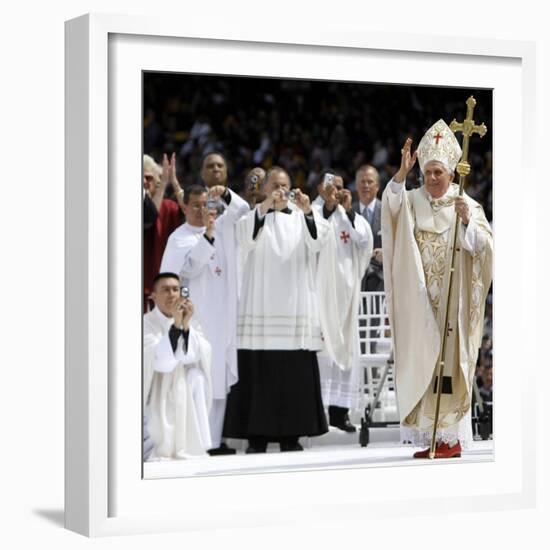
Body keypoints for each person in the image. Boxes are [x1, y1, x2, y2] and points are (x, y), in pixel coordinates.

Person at [381, 120, 493, 459]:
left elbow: (487, 249)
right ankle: (429, 434)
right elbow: (391, 207)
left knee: (446, 366)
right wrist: (401, 173)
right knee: (424, 363)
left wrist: (469, 225)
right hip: (420, 302)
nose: (431, 178)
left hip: (451, 303)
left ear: (451, 174)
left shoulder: (468, 205)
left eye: (438, 173)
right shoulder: (411, 199)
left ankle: (448, 438)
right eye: (427, 172)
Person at [223, 167, 332, 453]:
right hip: (260, 312)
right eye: (275, 186)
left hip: (295, 312)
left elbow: (321, 239)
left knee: (292, 377)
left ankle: (291, 435)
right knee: (259, 375)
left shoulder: (301, 217)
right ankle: (256, 436)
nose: (280, 191)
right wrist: (264, 207)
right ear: (266, 188)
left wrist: (309, 213)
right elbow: (244, 238)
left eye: (285, 185)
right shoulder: (252, 217)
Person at [160, 183, 249, 455]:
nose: (201, 211)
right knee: (199, 379)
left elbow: (243, 210)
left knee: (219, 379)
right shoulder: (179, 238)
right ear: (184, 207)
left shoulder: (223, 229)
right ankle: (198, 440)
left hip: (221, 317)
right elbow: (185, 270)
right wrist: (207, 237)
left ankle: (215, 439)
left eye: (205, 205)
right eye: (195, 205)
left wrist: (224, 194)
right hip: (196, 320)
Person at [312, 173, 373, 432]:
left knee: (346, 351)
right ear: (320, 188)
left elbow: (364, 243)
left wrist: (348, 214)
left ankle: (340, 413)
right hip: (321, 296)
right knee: (323, 355)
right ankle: (319, 413)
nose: (335, 192)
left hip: (347, 296)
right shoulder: (312, 212)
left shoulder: (350, 216)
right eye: (330, 187)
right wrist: (329, 209)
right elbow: (311, 236)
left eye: (339, 187)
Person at [143, 272, 212, 459]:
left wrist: (185, 325)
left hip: (182, 386)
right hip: (155, 389)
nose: (172, 294)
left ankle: (193, 442)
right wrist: (176, 327)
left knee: (196, 377)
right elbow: (159, 361)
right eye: (165, 290)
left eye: (176, 289)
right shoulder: (145, 323)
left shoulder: (190, 320)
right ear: (153, 296)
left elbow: (196, 355)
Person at [143, 154, 185, 310]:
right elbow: (148, 216)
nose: (144, 183)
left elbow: (190, 211)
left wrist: (172, 182)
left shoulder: (169, 207)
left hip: (164, 284)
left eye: (149, 178)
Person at [353, 165, 384, 292]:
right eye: (362, 181)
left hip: (381, 279)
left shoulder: (387, 212)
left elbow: (399, 241)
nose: (366, 185)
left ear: (377, 186)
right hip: (355, 278)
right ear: (356, 186)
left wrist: (386, 251)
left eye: (370, 182)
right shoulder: (347, 212)